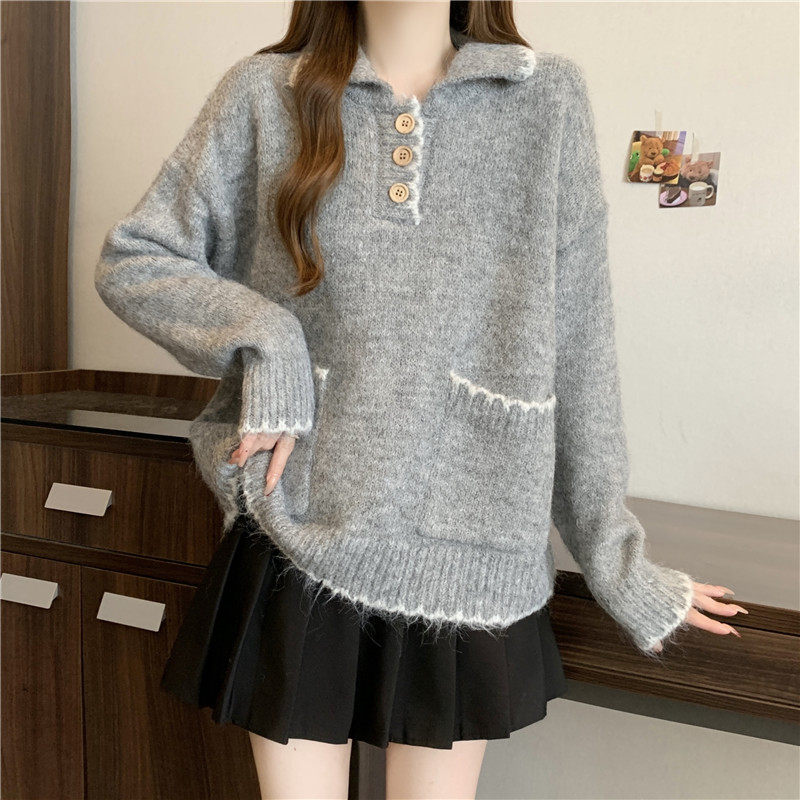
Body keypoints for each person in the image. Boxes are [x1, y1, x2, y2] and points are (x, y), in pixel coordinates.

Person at [93, 1, 747, 797]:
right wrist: (268, 337)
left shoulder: (547, 99)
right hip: (298, 526)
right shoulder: (264, 94)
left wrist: (615, 561)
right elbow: (137, 258)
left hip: (473, 541)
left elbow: (579, 344)